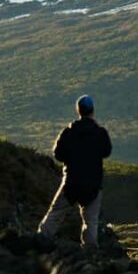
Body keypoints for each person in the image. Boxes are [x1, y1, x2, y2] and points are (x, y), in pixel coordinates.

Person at [37, 94, 112, 247]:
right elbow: (106, 152)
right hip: (93, 184)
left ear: (78, 111)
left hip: (70, 182)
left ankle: (40, 242)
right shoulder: (100, 133)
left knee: (55, 214)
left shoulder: (68, 133)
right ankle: (90, 252)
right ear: (92, 111)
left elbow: (58, 154)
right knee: (91, 221)